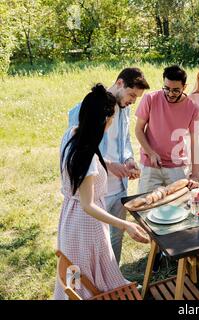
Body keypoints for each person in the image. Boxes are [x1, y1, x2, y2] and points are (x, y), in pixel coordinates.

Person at [54, 84, 149, 300]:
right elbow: (88, 205)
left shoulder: (71, 135)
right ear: (104, 120)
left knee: (77, 278)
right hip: (87, 226)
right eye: (111, 118)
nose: (112, 122)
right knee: (92, 280)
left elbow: (85, 165)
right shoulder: (86, 155)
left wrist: (111, 165)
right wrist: (125, 225)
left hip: (69, 220)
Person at [68, 68, 149, 264]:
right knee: (96, 242)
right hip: (95, 191)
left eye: (136, 97)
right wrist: (109, 164)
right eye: (131, 95)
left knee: (116, 236)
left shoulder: (126, 109)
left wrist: (129, 159)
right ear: (120, 83)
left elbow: (125, 140)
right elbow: (78, 149)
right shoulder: (84, 109)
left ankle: (114, 279)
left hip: (119, 187)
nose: (132, 101)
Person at [135, 65, 199, 193]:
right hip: (151, 165)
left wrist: (195, 174)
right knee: (146, 205)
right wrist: (150, 152)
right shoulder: (150, 99)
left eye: (176, 90)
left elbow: (196, 141)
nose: (170, 94)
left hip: (177, 168)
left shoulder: (193, 107)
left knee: (178, 207)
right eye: (167, 88)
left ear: (184, 87)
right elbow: (138, 129)